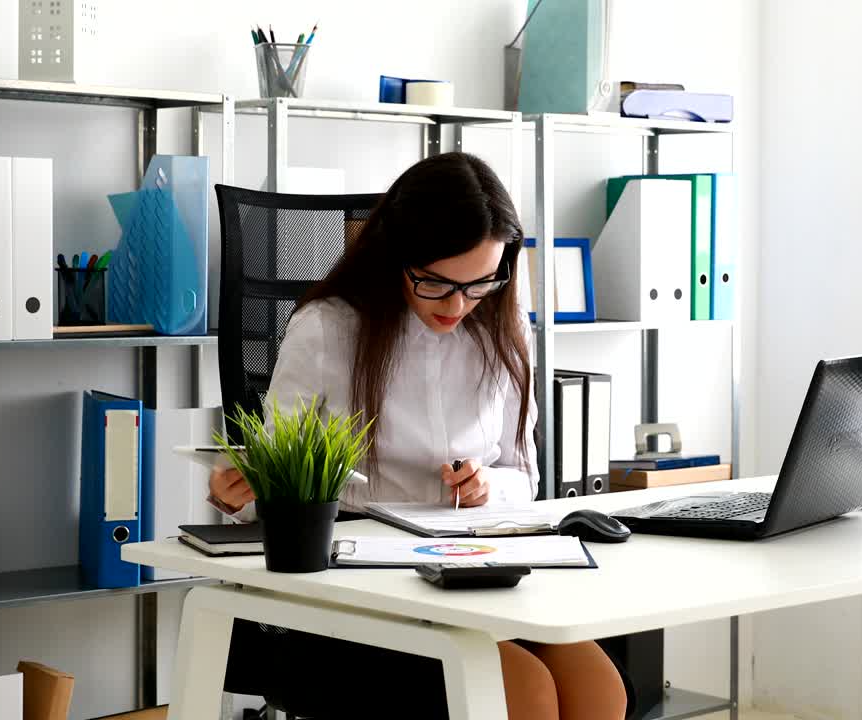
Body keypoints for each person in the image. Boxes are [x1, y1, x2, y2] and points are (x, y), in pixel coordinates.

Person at [209, 152, 628, 720]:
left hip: (470, 570)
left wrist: (486, 489)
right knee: (523, 692)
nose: (458, 305)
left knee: (600, 690)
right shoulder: (329, 330)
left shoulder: (503, 332)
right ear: (395, 256)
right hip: (357, 591)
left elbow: (522, 478)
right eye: (435, 283)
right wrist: (243, 492)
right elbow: (281, 485)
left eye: (479, 284)